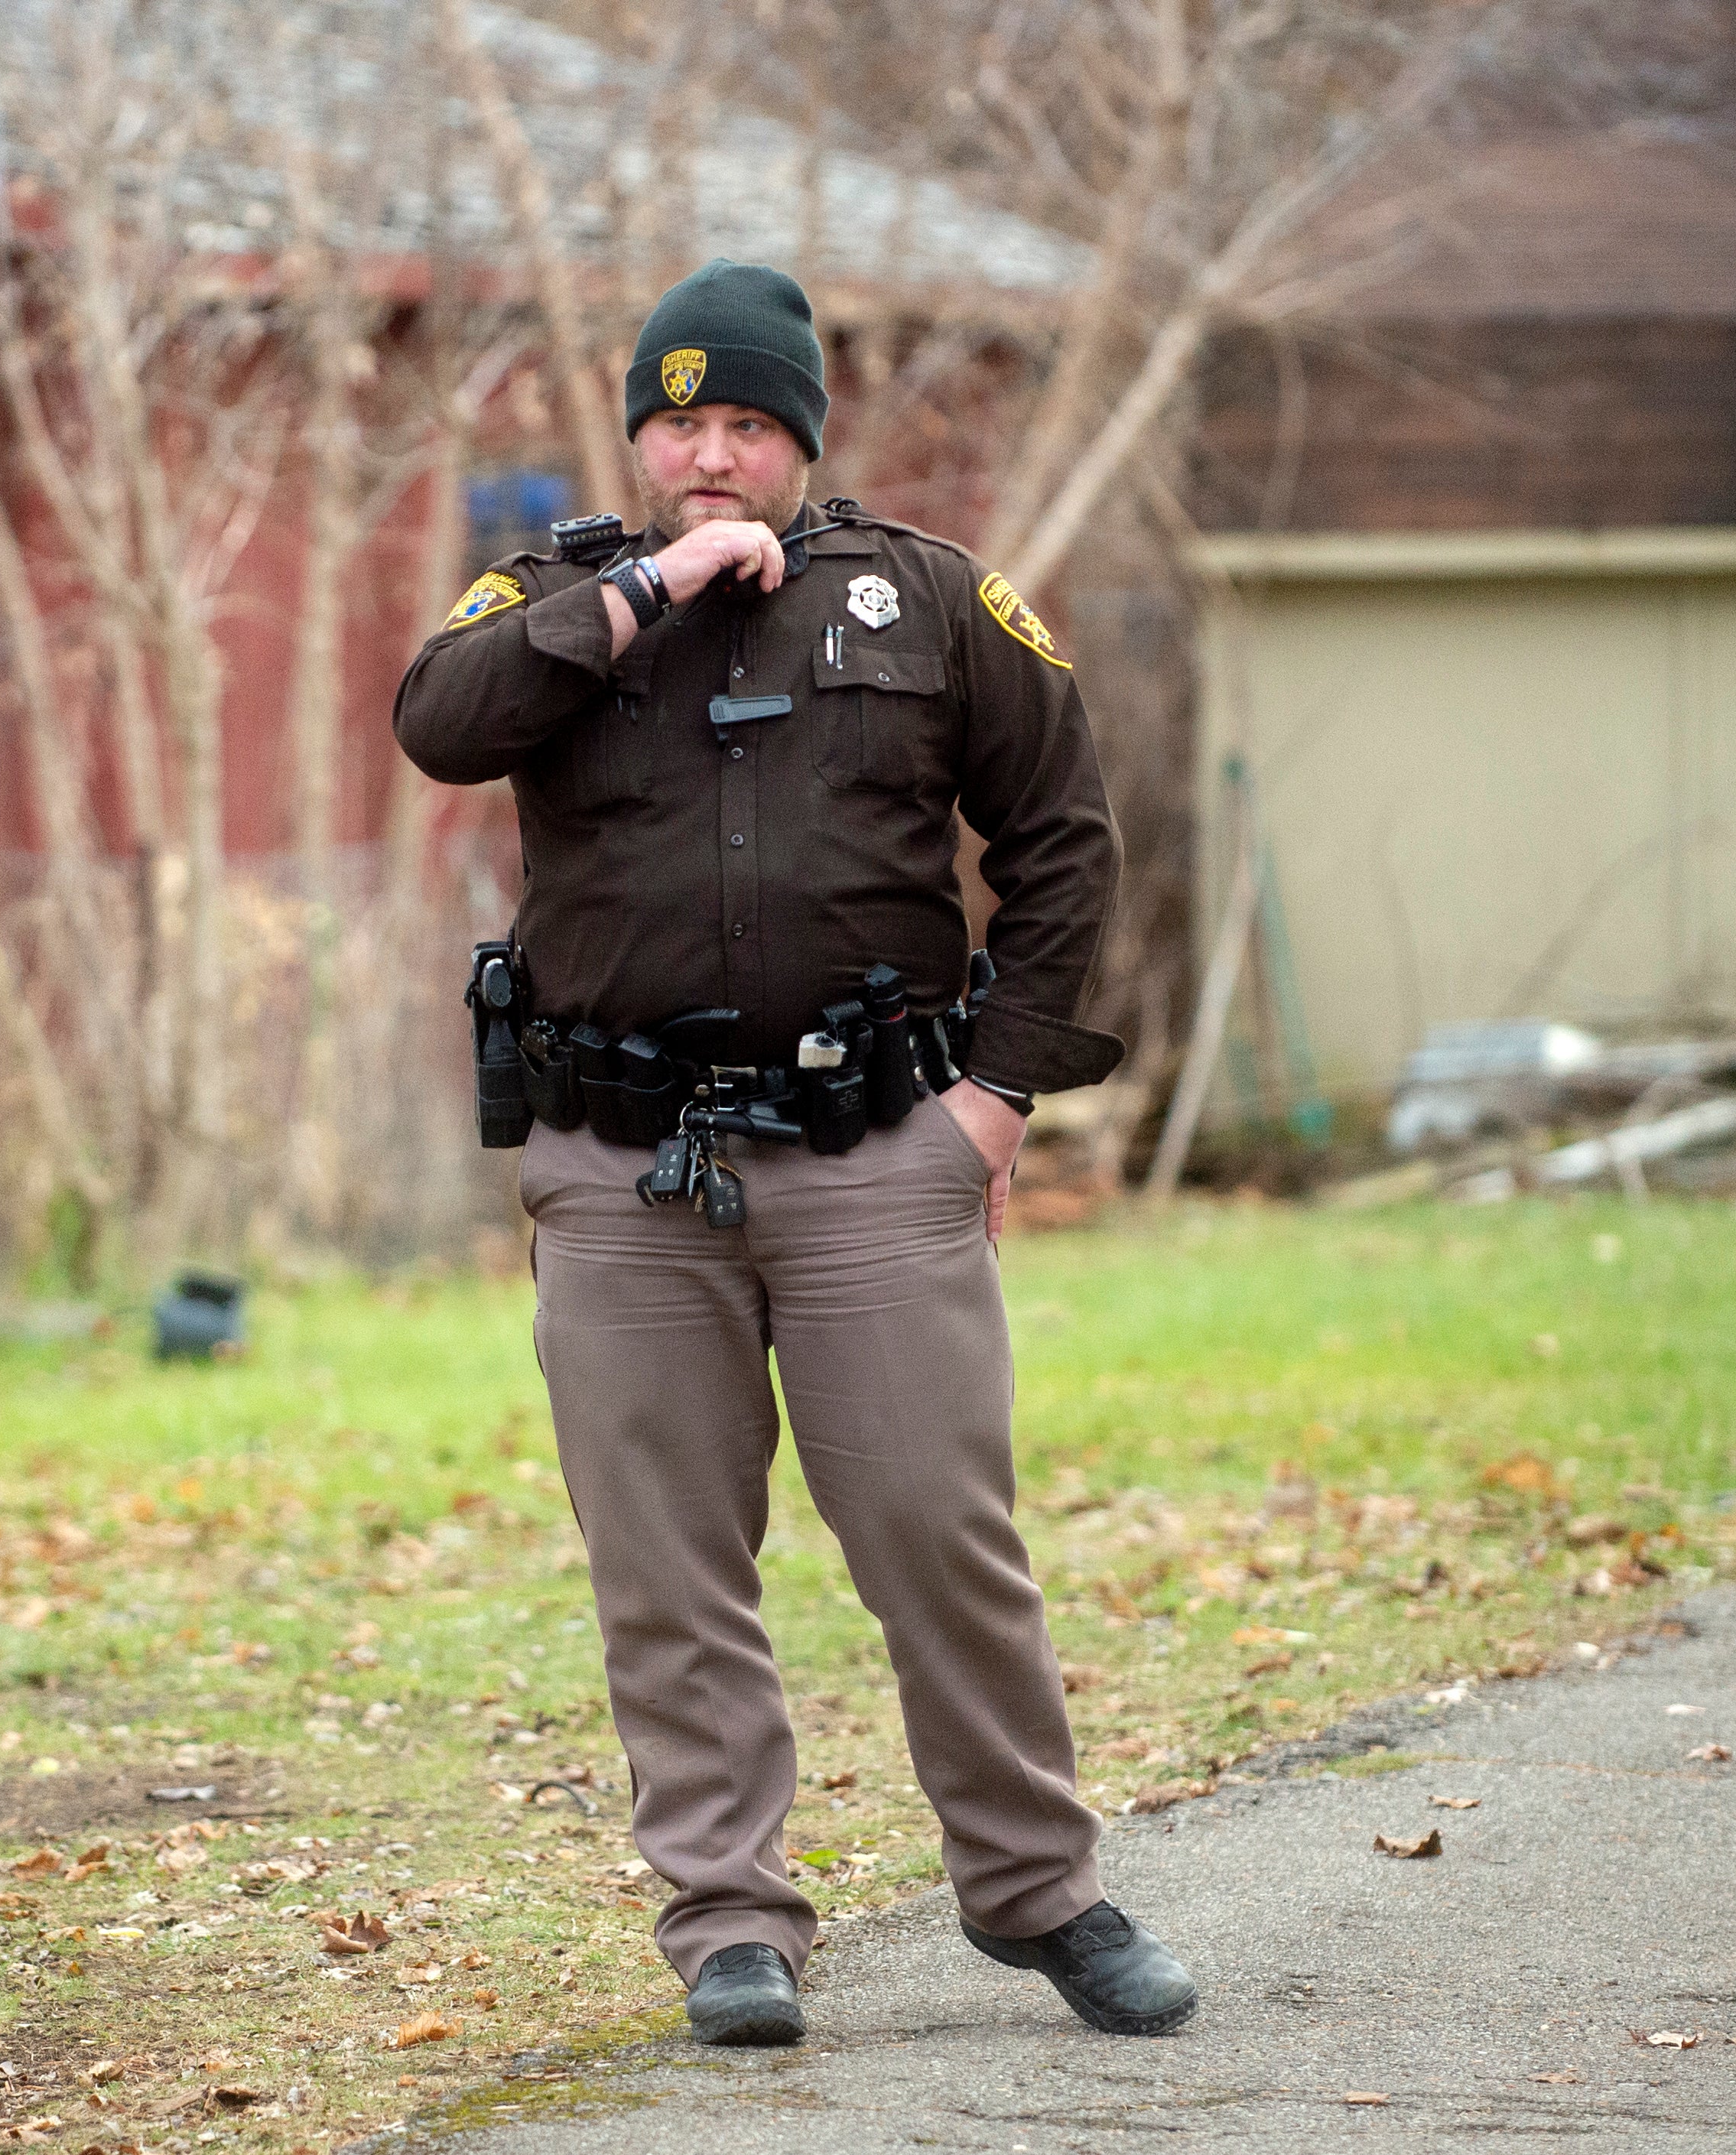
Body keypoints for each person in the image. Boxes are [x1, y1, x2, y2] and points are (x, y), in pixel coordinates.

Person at [392, 259, 1198, 2046]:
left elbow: (1062, 841)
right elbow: (437, 724)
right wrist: (644, 592)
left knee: (934, 1530)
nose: (706, 451)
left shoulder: (926, 601)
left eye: (743, 421)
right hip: (619, 1172)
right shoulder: (547, 600)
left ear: (798, 441)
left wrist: (992, 1095)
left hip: (868, 1155)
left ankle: (1034, 1886)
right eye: (677, 420)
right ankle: (730, 1920)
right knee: (666, 1560)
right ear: (638, 437)